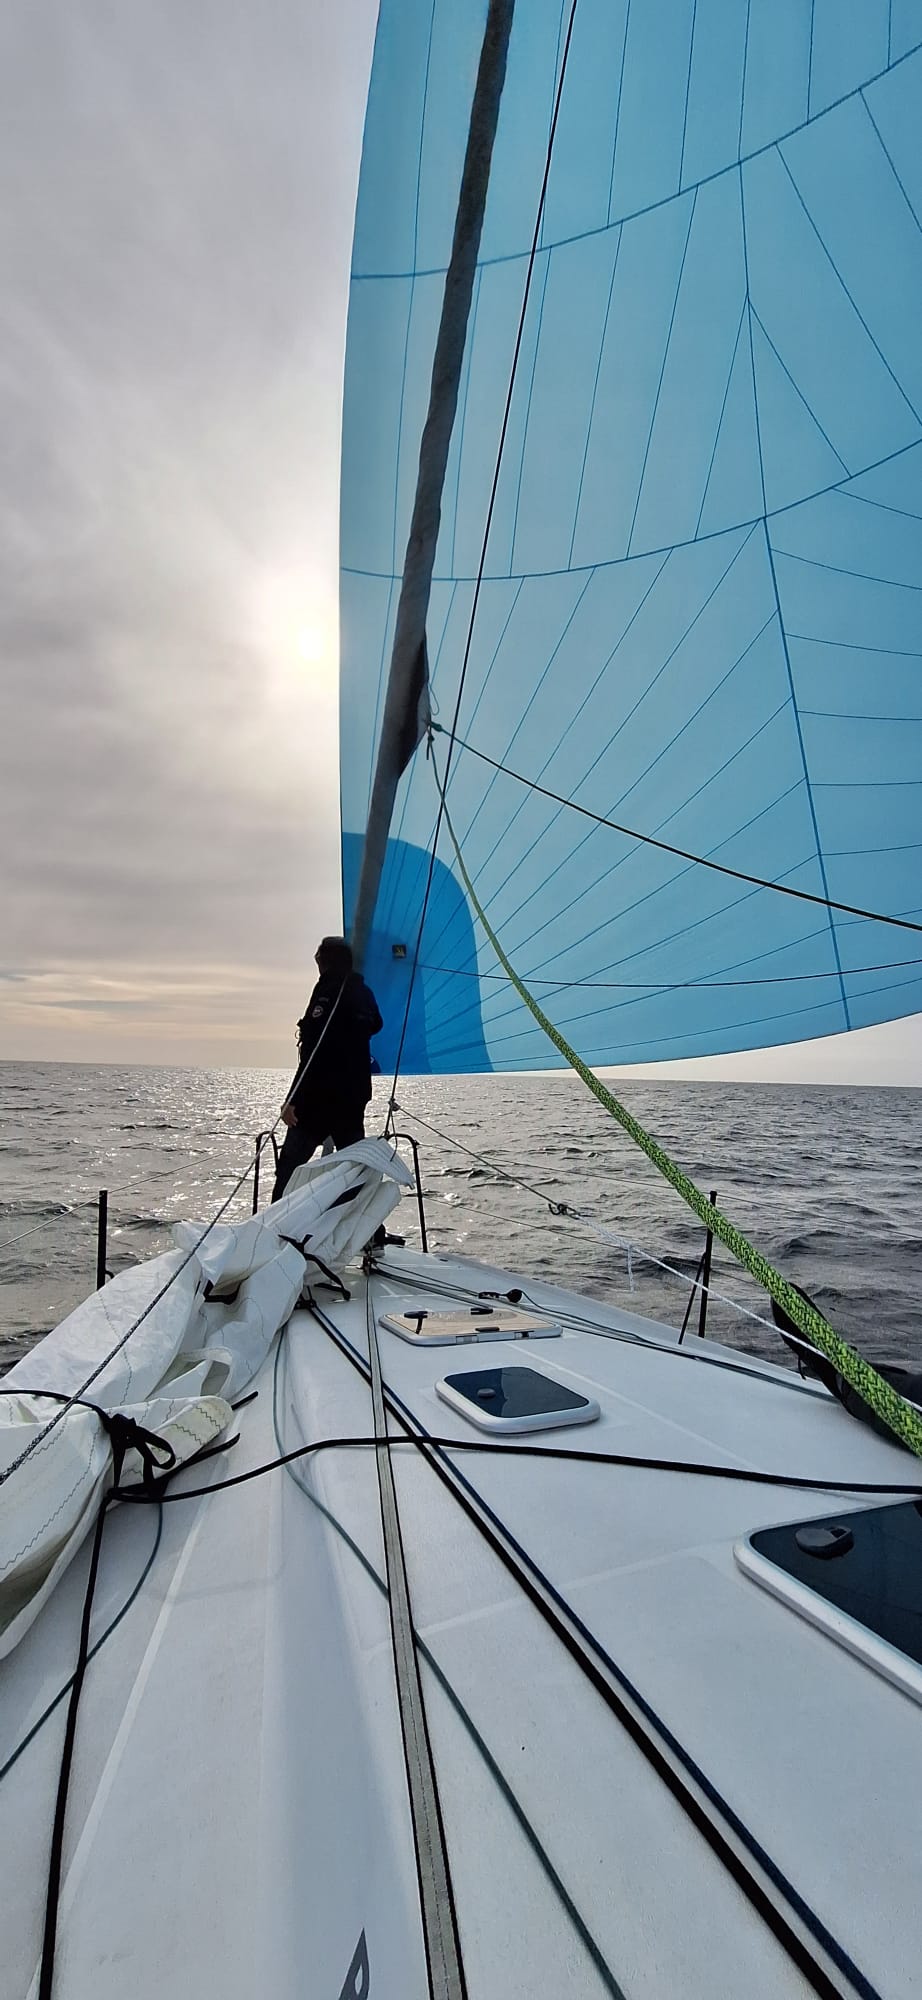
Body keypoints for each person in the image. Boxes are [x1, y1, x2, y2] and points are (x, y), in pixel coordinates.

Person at [271, 936, 383, 1202]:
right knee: (354, 1167)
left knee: (290, 1166)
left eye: (319, 957)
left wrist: (291, 1100)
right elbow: (376, 1024)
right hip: (352, 1100)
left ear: (326, 960)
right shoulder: (362, 991)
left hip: (317, 1103)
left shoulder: (327, 991)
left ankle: (269, 1225)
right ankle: (370, 1231)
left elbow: (313, 1052)